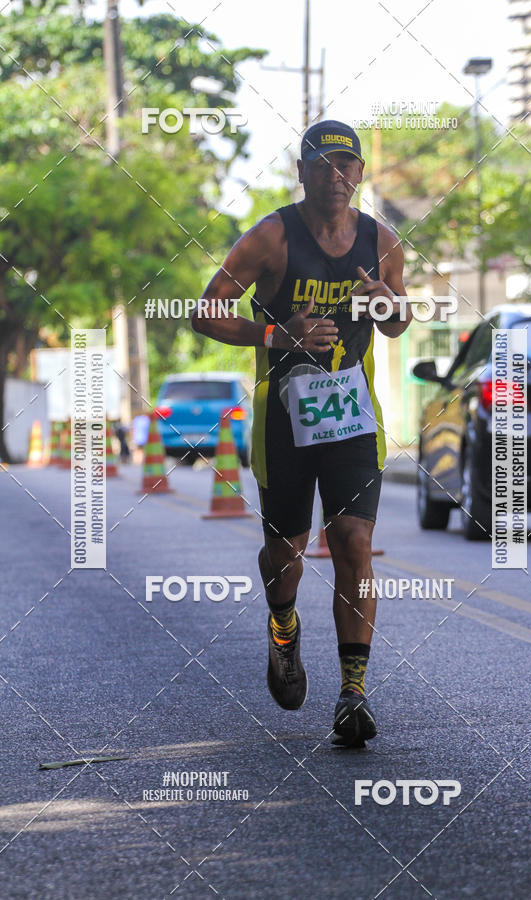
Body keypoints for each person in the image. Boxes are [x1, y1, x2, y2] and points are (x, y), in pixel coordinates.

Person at [192, 120, 411, 746]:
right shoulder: (271, 236)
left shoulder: (381, 240)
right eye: (323, 165)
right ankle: (283, 628)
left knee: (353, 540)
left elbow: (399, 321)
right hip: (285, 420)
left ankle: (353, 693)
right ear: (302, 172)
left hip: (351, 417)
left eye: (347, 166)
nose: (335, 177)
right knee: (285, 555)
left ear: (361, 174)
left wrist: (386, 306)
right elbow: (207, 309)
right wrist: (276, 335)